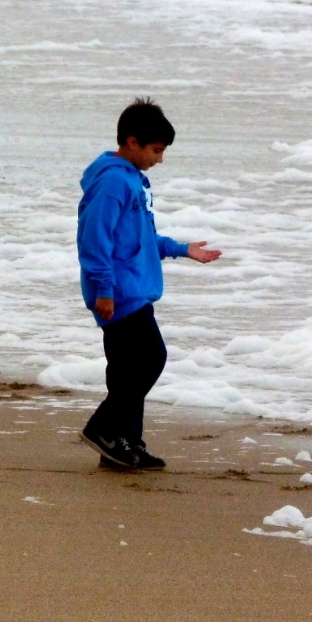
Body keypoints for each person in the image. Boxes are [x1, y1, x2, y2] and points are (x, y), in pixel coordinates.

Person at [76, 98, 221, 470]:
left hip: (132, 288)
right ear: (132, 141)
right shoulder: (111, 181)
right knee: (150, 359)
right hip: (119, 292)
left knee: (126, 371)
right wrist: (104, 289)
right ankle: (102, 428)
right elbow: (95, 239)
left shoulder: (132, 181)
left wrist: (181, 249)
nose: (160, 159)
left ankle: (124, 446)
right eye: (156, 150)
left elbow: (139, 237)